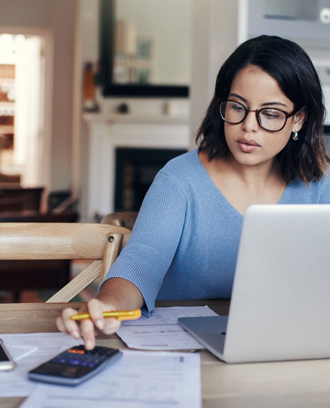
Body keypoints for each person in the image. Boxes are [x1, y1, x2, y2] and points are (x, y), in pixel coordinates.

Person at [57, 35, 330, 349]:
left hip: (282, 349)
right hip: (183, 351)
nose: (248, 127)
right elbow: (141, 263)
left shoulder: (319, 187)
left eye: (270, 114)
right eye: (237, 107)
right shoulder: (179, 181)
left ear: (298, 118)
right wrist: (107, 305)